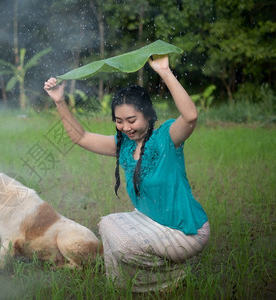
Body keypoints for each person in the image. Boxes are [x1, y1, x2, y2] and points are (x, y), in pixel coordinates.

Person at [44, 55, 209, 292]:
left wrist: (164, 71)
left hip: (186, 231)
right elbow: (80, 137)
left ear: (149, 116)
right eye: (119, 121)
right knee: (107, 225)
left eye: (132, 120)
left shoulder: (166, 139)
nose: (126, 127)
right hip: (153, 222)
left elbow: (190, 116)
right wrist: (60, 101)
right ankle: (119, 286)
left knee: (121, 244)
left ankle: (173, 277)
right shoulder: (124, 145)